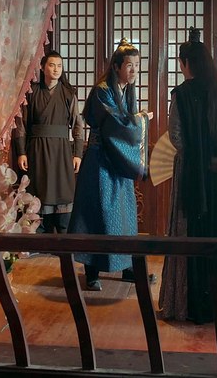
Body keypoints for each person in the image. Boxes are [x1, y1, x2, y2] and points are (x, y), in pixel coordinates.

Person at [158, 28, 217, 324]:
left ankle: (187, 303)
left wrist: (198, 159)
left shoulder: (182, 94)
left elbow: (177, 137)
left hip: (193, 178)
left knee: (189, 234)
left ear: (186, 63)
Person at [68, 39, 152, 291]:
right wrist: (140, 120)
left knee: (124, 215)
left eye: (137, 65)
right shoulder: (103, 90)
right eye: (129, 65)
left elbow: (125, 123)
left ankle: (128, 268)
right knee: (97, 215)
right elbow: (116, 125)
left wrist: (136, 120)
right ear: (116, 67)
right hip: (100, 162)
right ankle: (92, 271)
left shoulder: (126, 90)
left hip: (117, 162)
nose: (134, 70)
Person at [13, 51, 84, 234]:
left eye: (59, 66)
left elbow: (77, 125)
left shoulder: (68, 93)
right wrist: (21, 152)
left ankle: (63, 236)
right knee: (39, 191)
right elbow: (21, 125)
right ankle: (39, 234)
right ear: (43, 67)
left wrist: (77, 153)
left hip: (62, 151)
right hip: (37, 150)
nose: (56, 69)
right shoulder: (31, 93)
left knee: (63, 191)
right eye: (52, 65)